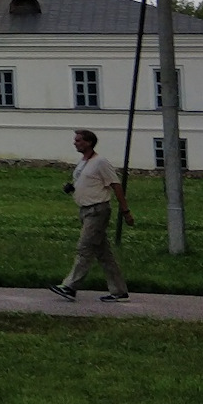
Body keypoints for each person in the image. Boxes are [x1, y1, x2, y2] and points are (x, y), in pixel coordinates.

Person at [50, 129, 131, 303]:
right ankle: (119, 291)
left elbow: (115, 185)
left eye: (78, 140)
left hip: (97, 210)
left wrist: (125, 211)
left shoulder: (100, 162)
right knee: (103, 254)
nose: (75, 143)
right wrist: (72, 188)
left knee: (84, 248)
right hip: (85, 211)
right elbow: (87, 182)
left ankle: (70, 286)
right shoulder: (83, 162)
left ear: (88, 142)